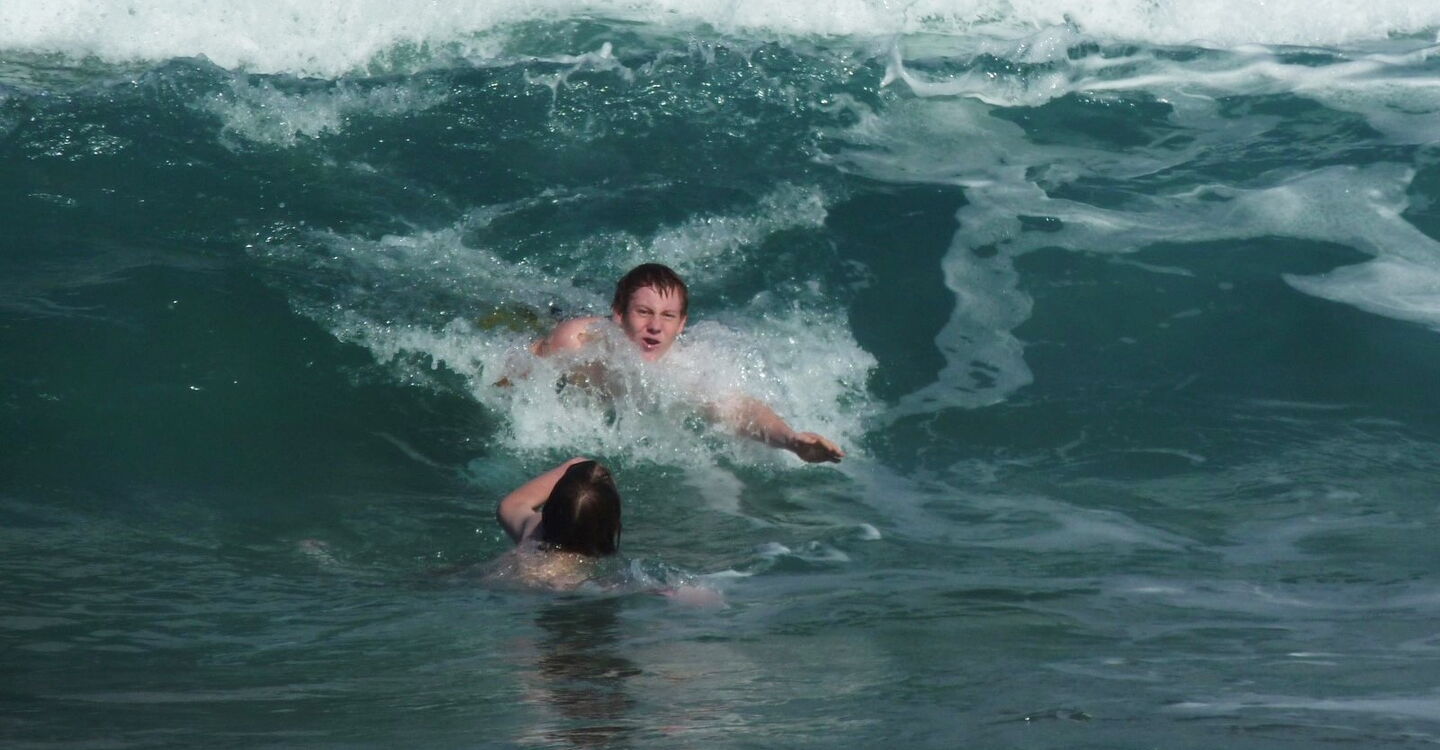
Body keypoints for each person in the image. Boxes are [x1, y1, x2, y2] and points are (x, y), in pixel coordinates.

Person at [526, 263, 845, 464]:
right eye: (643, 312)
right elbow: (520, 371)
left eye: (668, 316)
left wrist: (791, 440)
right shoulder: (577, 341)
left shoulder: (685, 369)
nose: (655, 326)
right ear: (619, 315)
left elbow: (738, 411)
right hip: (556, 321)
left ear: (682, 324)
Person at [493, 457, 724, 606]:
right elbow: (692, 598)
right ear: (613, 526)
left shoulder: (531, 530)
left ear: (550, 509)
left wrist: (575, 466)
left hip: (504, 587)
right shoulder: (607, 579)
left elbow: (511, 503)